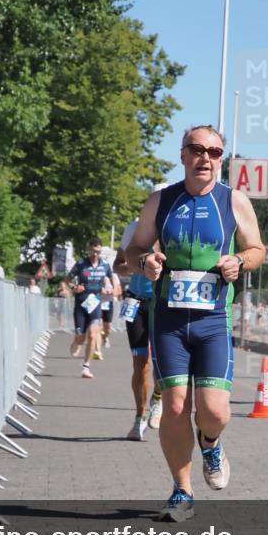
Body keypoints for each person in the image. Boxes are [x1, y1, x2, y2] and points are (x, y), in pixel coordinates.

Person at [125, 125, 264, 522]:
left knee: (215, 411)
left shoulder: (234, 201)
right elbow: (134, 248)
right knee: (174, 406)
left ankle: (211, 442)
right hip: (168, 319)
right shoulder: (160, 201)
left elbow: (257, 249)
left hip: (214, 320)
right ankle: (181, 491)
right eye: (197, 149)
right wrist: (145, 261)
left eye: (215, 152)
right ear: (183, 155)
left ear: (222, 159)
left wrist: (239, 261)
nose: (205, 157)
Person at [113, 183, 168, 442]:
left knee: (160, 363)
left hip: (162, 301)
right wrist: (135, 268)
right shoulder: (134, 228)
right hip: (135, 300)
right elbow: (118, 265)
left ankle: (158, 398)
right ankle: (139, 417)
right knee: (140, 362)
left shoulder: (173, 228)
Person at [68, 237, 114, 378]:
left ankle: (86, 368)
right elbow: (67, 280)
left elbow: (113, 283)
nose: (95, 254)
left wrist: (111, 290)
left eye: (98, 252)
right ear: (89, 249)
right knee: (81, 338)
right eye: (93, 251)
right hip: (81, 304)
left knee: (93, 334)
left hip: (95, 305)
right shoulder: (81, 264)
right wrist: (75, 287)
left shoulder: (105, 265)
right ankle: (77, 340)